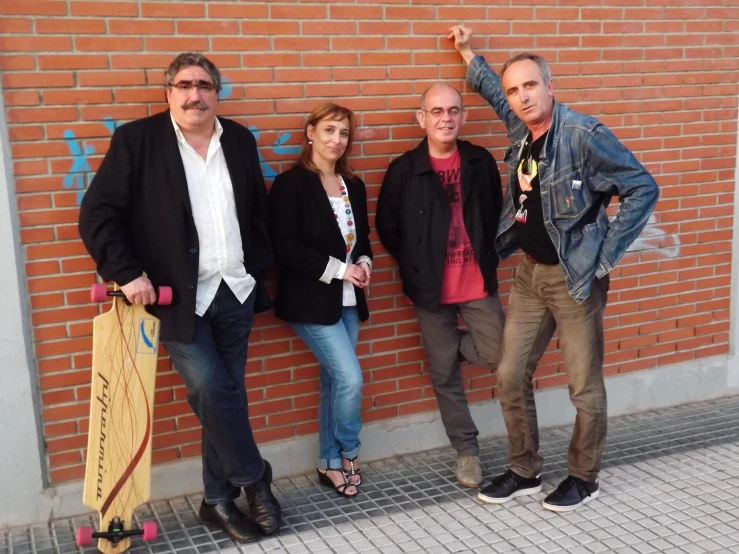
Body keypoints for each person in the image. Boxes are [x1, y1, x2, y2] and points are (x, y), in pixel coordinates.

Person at [449, 26, 659, 511]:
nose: (521, 97)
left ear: (549, 86)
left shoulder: (584, 134)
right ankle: (525, 470)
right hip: (529, 276)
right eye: (514, 90)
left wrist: (604, 256)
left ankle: (584, 476)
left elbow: (642, 187)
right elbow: (490, 92)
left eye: (530, 85)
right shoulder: (521, 131)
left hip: (575, 277)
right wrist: (467, 54)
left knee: (583, 385)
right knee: (508, 374)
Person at [78, 52, 280, 542]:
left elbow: (254, 210)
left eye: (205, 85)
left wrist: (257, 268)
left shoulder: (239, 139)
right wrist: (127, 273)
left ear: (217, 92)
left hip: (234, 289)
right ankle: (256, 480)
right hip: (175, 298)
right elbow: (97, 212)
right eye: (185, 85)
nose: (196, 94)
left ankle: (216, 502)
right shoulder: (138, 141)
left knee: (224, 397)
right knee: (212, 389)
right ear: (169, 92)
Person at [376, 83, 505, 489]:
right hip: (430, 289)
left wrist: (487, 256)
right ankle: (467, 452)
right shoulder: (403, 169)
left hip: (476, 281)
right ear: (422, 119)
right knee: (444, 376)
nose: (445, 118)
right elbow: (387, 226)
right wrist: (415, 267)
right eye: (436, 111)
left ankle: (452, 349)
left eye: (453, 111)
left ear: (463, 117)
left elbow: (496, 213)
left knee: (499, 350)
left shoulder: (479, 162)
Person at [269, 103, 373, 498]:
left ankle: (327, 462)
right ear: (310, 132)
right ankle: (349, 452)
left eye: (344, 133)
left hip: (348, 301)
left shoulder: (353, 186)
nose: (336, 140)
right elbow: (287, 248)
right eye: (329, 130)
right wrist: (339, 269)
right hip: (310, 302)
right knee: (350, 378)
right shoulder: (291, 184)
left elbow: (361, 239)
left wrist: (362, 263)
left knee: (334, 382)